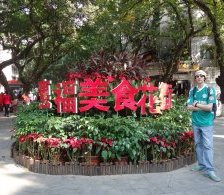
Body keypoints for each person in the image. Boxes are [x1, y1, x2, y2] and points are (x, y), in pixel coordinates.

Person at [187, 70, 221, 182]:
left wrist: (196, 104)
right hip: (196, 122)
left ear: (205, 77)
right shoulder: (193, 90)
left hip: (206, 123)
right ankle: (201, 164)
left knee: (208, 146)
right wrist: (202, 106)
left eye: (201, 75)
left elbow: (209, 108)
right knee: (198, 144)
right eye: (197, 76)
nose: (199, 77)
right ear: (195, 78)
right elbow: (188, 107)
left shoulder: (210, 89)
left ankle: (210, 170)